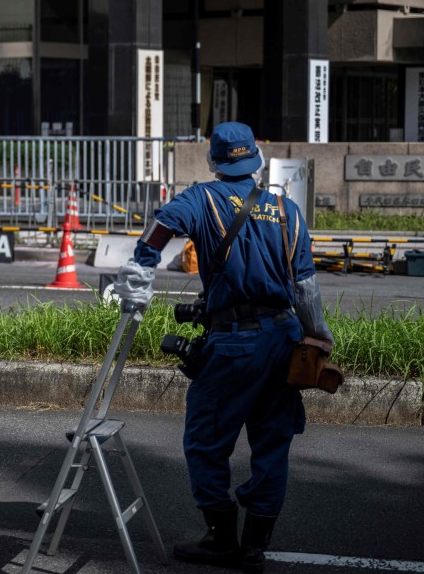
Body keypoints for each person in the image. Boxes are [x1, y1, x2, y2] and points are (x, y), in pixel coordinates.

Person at [115, 122, 334, 574]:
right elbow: (306, 288)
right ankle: (255, 545)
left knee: (206, 441)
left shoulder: (200, 199)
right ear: (254, 157)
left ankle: (220, 538)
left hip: (234, 343)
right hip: (285, 338)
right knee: (272, 446)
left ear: (214, 161)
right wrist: (319, 338)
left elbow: (156, 234)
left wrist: (138, 279)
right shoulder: (287, 210)